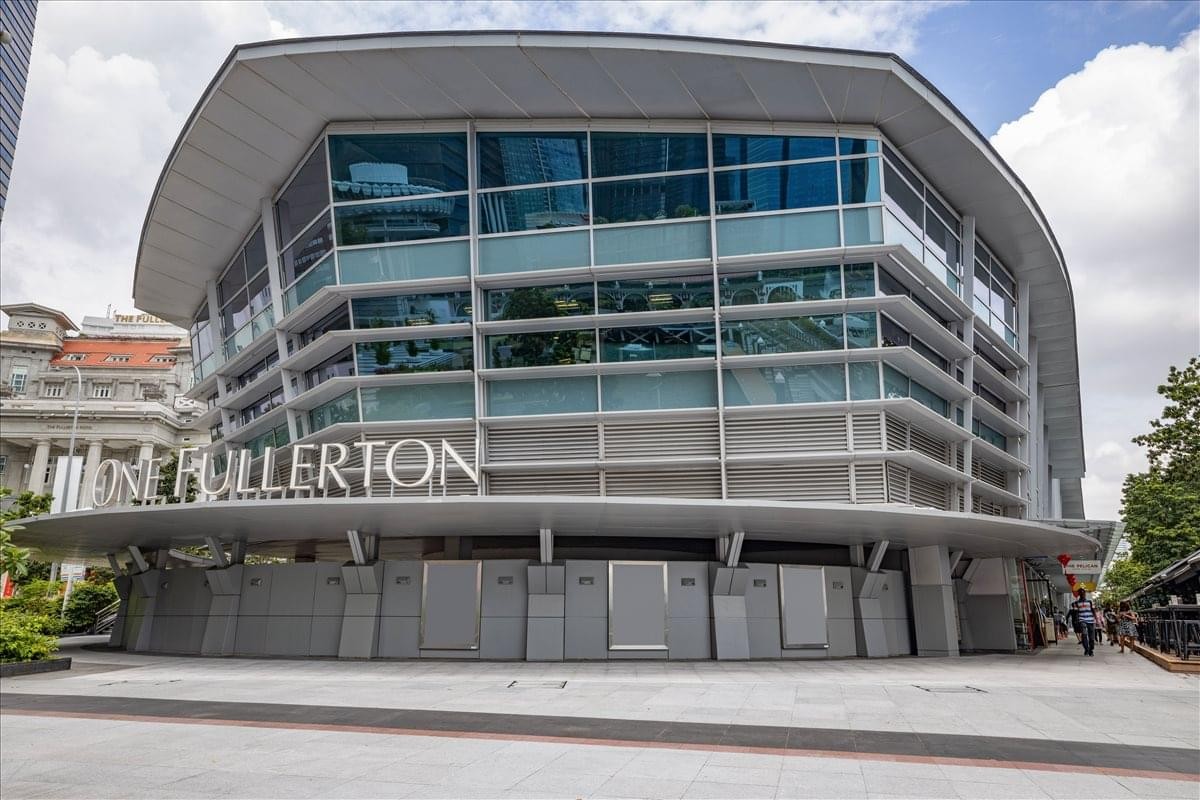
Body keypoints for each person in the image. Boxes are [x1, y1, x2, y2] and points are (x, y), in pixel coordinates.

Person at [1070, 588, 1100, 657]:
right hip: (1082, 620)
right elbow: (1076, 613)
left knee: (1091, 637)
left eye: (1083, 593)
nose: (1083, 594)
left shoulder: (1090, 601)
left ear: (1085, 594)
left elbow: (1093, 610)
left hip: (1090, 620)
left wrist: (1097, 620)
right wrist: (1076, 621)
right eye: (1081, 593)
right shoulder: (1076, 603)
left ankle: (1091, 650)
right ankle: (1086, 649)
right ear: (1079, 594)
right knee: (1084, 635)